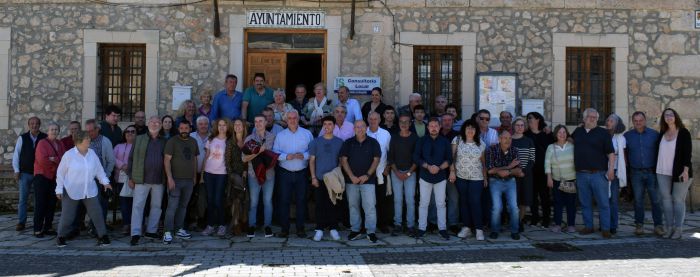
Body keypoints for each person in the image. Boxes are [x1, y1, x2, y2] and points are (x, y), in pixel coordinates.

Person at [55, 130, 112, 247]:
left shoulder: (92, 153)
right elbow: (60, 174)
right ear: (79, 141)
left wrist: (106, 183)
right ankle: (61, 236)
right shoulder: (69, 155)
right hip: (71, 191)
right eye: (87, 138)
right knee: (68, 216)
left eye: (89, 138)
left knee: (97, 213)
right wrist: (59, 189)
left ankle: (103, 236)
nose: (89, 140)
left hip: (90, 190)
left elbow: (99, 171)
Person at [571, 108, 615, 238]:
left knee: (603, 202)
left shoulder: (603, 133)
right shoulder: (578, 132)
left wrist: (611, 169)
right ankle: (588, 226)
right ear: (584, 119)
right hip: (581, 174)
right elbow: (568, 141)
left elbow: (611, 153)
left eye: (595, 117)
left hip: (599, 174)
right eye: (590, 117)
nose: (593, 119)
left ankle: (606, 229)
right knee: (585, 203)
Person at [273, 110, 314, 238]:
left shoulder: (307, 134)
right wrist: (286, 156)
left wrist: (305, 155)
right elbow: (275, 152)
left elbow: (312, 151)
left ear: (298, 119)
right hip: (285, 173)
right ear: (286, 120)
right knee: (284, 200)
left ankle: (300, 229)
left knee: (301, 201)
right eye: (289, 118)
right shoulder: (280, 135)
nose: (292, 120)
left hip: (301, 172)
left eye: (294, 118)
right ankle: (284, 229)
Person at [128, 116, 167, 246]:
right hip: (141, 179)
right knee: (138, 206)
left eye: (157, 122)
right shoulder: (139, 139)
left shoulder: (164, 141)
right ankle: (135, 233)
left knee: (156, 206)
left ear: (161, 125)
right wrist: (130, 177)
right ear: (148, 123)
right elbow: (131, 159)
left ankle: (151, 231)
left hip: (158, 179)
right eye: (152, 122)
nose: (155, 124)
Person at [341, 120, 381, 243]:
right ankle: (355, 230)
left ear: (366, 128)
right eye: (357, 127)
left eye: (362, 126)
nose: (360, 129)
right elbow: (343, 160)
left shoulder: (373, 142)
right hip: (351, 181)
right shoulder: (348, 143)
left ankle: (371, 231)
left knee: (369, 207)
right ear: (354, 129)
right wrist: (352, 176)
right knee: (353, 206)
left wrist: (367, 175)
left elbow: (376, 160)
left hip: (368, 181)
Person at [624, 111, 664, 236]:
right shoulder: (627, 136)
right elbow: (624, 153)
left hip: (652, 172)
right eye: (635, 121)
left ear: (645, 120)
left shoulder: (654, 135)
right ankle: (639, 225)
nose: (638, 123)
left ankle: (658, 226)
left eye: (640, 120)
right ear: (632, 122)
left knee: (656, 200)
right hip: (635, 173)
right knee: (638, 200)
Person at [656, 108, 693, 239]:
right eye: (666, 115)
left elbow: (687, 153)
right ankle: (669, 228)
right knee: (665, 200)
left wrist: (686, 171)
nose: (669, 117)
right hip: (662, 171)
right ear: (663, 118)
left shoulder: (683, 133)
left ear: (676, 117)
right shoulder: (662, 133)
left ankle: (678, 229)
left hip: (680, 172)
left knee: (678, 200)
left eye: (671, 115)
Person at [413, 118, 453, 240]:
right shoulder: (422, 140)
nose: (434, 128)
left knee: (441, 204)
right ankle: (421, 228)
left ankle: (442, 229)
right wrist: (428, 166)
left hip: (440, 177)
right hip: (425, 176)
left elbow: (449, 159)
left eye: (436, 125)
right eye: (431, 126)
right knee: (423, 203)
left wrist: (439, 168)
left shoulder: (445, 141)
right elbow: (416, 157)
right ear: (428, 127)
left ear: (440, 127)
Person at [449, 119, 487, 240]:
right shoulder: (457, 140)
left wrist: (485, 178)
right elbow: (452, 158)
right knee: (464, 202)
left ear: (476, 131)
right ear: (464, 129)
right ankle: (467, 228)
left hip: (477, 178)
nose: (470, 130)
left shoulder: (481, 143)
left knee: (475, 202)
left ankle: (479, 229)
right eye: (468, 128)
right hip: (461, 177)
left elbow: (484, 163)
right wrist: (452, 172)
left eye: (473, 128)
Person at [163, 120, 199, 244]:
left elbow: (194, 160)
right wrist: (169, 178)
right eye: (182, 128)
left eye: (186, 128)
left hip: (189, 180)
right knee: (172, 206)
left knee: (183, 206)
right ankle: (167, 232)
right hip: (175, 180)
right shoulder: (172, 141)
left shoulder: (193, 142)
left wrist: (194, 177)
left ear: (190, 129)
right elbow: (167, 160)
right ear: (178, 129)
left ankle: (179, 229)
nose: (184, 130)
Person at [309, 116, 344, 241]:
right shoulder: (315, 142)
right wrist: (313, 177)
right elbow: (312, 161)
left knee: (333, 204)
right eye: (325, 124)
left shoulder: (339, 142)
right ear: (323, 126)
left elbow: (341, 161)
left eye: (330, 124)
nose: (327, 126)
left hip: (333, 179)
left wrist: (338, 175)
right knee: (319, 204)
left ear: (334, 126)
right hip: (319, 178)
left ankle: (333, 228)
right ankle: (319, 229)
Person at [78, 119, 115, 235]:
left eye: (91, 130)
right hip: (86, 179)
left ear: (97, 129)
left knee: (101, 204)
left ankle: (99, 228)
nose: (89, 133)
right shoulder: (83, 141)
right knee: (88, 205)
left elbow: (111, 161)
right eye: (87, 131)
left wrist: (106, 176)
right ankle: (88, 226)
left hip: (100, 179)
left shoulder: (105, 142)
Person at [485, 129, 523, 240]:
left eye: (510, 138)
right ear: (499, 139)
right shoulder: (492, 150)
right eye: (505, 138)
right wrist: (510, 167)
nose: (508, 140)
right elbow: (490, 171)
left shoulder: (514, 150)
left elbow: (519, 171)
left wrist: (507, 171)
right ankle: (495, 230)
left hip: (510, 182)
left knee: (514, 207)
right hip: (495, 182)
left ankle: (514, 231)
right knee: (497, 207)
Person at [243, 115, 277, 238]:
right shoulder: (249, 139)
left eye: (260, 121)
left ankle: (267, 226)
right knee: (254, 202)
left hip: (269, 174)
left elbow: (276, 155)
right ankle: (252, 226)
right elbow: (244, 158)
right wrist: (258, 152)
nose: (258, 124)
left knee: (267, 201)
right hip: (253, 174)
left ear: (266, 122)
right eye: (256, 121)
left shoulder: (273, 137)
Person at [12, 116, 46, 231]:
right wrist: (16, 170)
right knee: (23, 199)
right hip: (25, 173)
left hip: (39, 174)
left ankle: (38, 221)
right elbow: (16, 155)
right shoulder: (22, 138)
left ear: (39, 125)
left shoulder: (44, 137)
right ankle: (21, 222)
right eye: (32, 123)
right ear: (28, 125)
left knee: (39, 199)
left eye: (36, 123)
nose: (34, 125)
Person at [33, 122, 66, 237]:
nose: (54, 131)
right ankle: (37, 228)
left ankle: (48, 226)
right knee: (41, 203)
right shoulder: (42, 143)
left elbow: (64, 158)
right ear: (47, 131)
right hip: (42, 176)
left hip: (55, 178)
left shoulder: (60, 143)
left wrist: (53, 159)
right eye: (52, 129)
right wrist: (55, 161)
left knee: (52, 203)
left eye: (56, 129)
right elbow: (42, 160)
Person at [201, 118, 232, 237]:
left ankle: (222, 225)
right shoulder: (211, 139)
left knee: (218, 200)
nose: (222, 127)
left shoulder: (229, 140)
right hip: (209, 172)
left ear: (228, 127)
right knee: (210, 200)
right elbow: (206, 156)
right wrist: (202, 174)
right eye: (220, 125)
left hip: (222, 173)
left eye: (224, 125)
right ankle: (210, 225)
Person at [388, 113, 418, 236]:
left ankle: (410, 225)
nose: (404, 124)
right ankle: (398, 224)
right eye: (401, 122)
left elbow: (417, 159)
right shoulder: (394, 138)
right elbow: (391, 158)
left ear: (410, 123)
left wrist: (409, 173)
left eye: (406, 122)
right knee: (398, 199)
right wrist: (397, 173)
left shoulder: (415, 138)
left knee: (410, 200)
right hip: (396, 172)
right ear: (398, 123)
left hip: (411, 173)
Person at [545, 125, 577, 233]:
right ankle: (558, 224)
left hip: (570, 179)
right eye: (559, 132)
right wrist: (549, 178)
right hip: (557, 179)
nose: (562, 134)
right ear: (556, 134)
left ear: (567, 134)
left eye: (564, 132)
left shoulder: (572, 147)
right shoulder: (551, 147)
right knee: (557, 202)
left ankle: (571, 225)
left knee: (570, 203)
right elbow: (547, 164)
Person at [524, 111, 554, 228]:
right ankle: (534, 218)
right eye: (528, 118)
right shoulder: (526, 135)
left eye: (531, 118)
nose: (529, 120)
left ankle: (546, 220)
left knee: (545, 196)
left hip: (544, 170)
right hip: (530, 170)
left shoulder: (547, 134)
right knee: (532, 197)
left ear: (538, 119)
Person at [366, 112, 393, 234]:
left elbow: (390, 152)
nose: (372, 121)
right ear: (367, 119)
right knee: (367, 200)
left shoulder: (385, 134)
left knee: (382, 200)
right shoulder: (363, 131)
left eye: (375, 119)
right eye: (370, 119)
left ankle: (382, 224)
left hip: (381, 173)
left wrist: (388, 168)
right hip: (365, 174)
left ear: (379, 119)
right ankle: (367, 225)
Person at [510, 117, 535, 232]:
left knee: (523, 201)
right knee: (513, 200)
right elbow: (505, 157)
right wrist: (514, 171)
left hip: (526, 175)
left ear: (524, 127)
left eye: (522, 125)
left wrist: (523, 172)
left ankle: (519, 221)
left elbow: (532, 159)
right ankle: (513, 221)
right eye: (517, 125)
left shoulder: (529, 141)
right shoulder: (509, 140)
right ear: (513, 126)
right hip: (511, 175)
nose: (519, 127)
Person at [606, 113, 627, 234]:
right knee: (604, 199)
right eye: (608, 120)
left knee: (613, 199)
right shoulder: (602, 136)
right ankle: (605, 223)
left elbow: (623, 157)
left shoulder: (621, 138)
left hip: (614, 171)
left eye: (612, 121)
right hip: (603, 169)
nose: (609, 122)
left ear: (617, 124)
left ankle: (613, 225)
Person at [113, 125, 136, 235]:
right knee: (124, 203)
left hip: (136, 178)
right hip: (121, 178)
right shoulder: (118, 146)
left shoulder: (139, 146)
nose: (130, 133)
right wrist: (122, 165)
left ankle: (135, 224)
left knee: (135, 202)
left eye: (133, 131)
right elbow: (112, 158)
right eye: (128, 131)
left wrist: (130, 169)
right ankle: (126, 224)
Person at [188, 116, 210, 230]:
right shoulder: (191, 136)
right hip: (191, 172)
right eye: (201, 124)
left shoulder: (213, 137)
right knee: (190, 196)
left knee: (203, 197)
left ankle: (201, 220)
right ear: (197, 125)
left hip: (206, 173)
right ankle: (190, 220)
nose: (203, 126)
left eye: (205, 124)